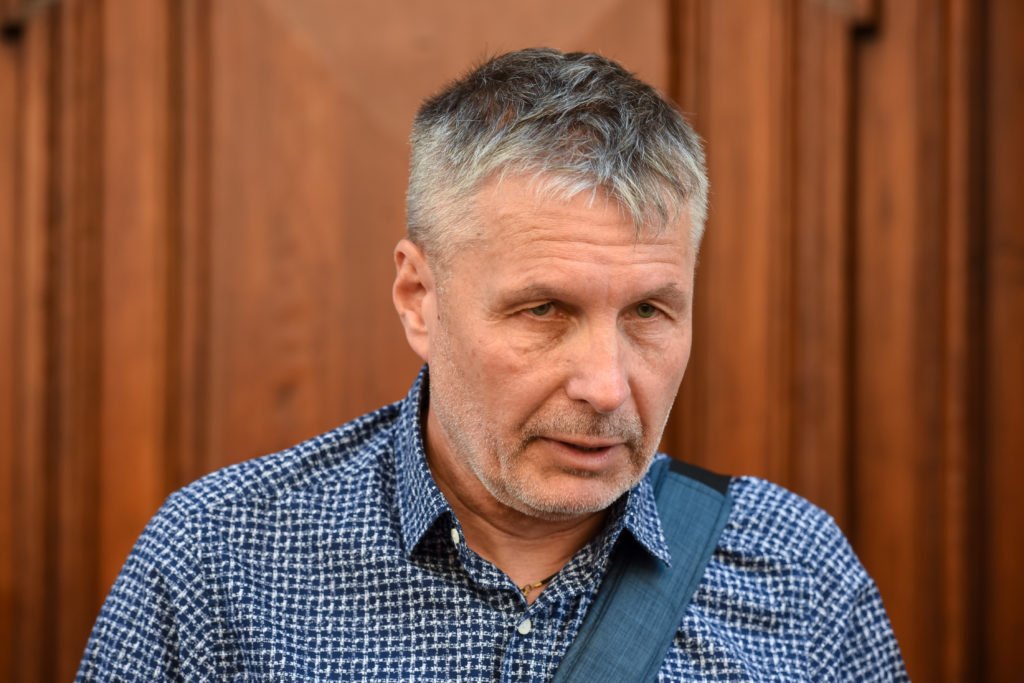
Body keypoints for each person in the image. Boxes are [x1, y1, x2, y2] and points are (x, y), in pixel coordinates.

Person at [77, 48, 906, 681]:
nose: (607, 386)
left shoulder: (799, 574)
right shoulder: (217, 562)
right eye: (544, 310)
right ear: (418, 297)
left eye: (649, 313)